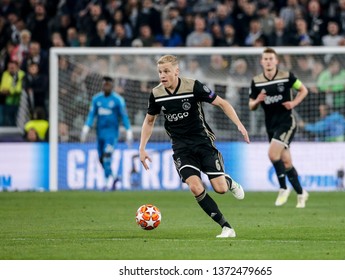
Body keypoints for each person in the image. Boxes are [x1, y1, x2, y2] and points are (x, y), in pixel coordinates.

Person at [139, 55, 250, 238]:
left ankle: (228, 181)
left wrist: (239, 124)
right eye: (160, 72)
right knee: (195, 187)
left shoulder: (193, 86)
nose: (162, 75)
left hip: (203, 142)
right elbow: (149, 121)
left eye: (166, 71)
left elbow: (222, 103)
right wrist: (142, 148)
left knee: (220, 189)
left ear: (177, 71)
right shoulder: (157, 94)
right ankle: (226, 227)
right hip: (181, 148)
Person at [248, 47, 309, 208]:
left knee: (272, 153)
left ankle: (283, 188)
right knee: (287, 163)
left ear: (276, 61)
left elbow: (303, 90)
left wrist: (294, 103)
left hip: (287, 122)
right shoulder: (256, 82)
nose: (268, 61)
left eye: (271, 58)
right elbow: (251, 105)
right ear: (262, 62)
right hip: (271, 126)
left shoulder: (287, 77)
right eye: (265, 59)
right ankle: (302, 194)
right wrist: (257, 101)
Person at [80, 76, 133, 190]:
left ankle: (106, 182)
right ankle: (113, 177)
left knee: (106, 156)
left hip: (112, 134)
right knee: (101, 159)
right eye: (104, 84)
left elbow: (124, 116)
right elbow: (91, 115)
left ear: (112, 86)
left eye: (108, 84)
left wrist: (128, 130)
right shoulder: (96, 99)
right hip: (100, 134)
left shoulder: (118, 100)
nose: (106, 86)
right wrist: (86, 127)